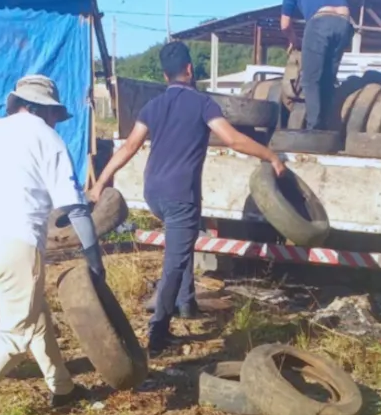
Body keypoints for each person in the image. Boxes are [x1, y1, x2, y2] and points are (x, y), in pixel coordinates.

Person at [88, 41, 286, 357]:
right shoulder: (202, 104)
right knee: (175, 262)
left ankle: (186, 304)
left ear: (166, 75)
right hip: (181, 195)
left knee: (182, 246)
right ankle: (158, 332)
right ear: (190, 70)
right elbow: (233, 139)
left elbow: (128, 147)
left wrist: (99, 183)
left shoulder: (152, 107)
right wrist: (271, 156)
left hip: (155, 193)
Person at [0, 75, 107, 415]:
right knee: (16, 334)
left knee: (36, 315)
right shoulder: (48, 138)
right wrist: (93, 257)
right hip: (16, 245)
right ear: (46, 110)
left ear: (18, 104)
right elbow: (74, 206)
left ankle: (62, 388)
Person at [279, 0, 355, 131]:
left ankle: (314, 129)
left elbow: (285, 25)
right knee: (328, 78)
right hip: (345, 24)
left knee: (310, 80)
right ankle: (328, 125)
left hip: (320, 22)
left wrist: (295, 41)